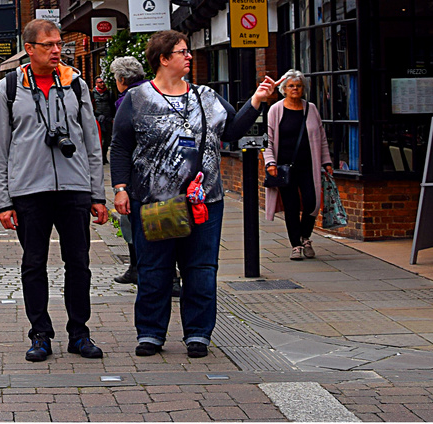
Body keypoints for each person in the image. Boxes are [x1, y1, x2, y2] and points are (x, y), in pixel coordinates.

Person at [110, 31, 275, 358]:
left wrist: (256, 101)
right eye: (182, 52)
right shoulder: (137, 98)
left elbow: (232, 131)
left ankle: (198, 333)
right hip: (156, 200)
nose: (189, 56)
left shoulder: (207, 97)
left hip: (204, 201)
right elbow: (120, 147)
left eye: (188, 51)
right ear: (163, 58)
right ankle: (150, 333)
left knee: (200, 269)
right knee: (154, 269)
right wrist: (120, 188)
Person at [0, 17, 108, 363]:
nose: (58, 50)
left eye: (60, 44)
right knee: (34, 264)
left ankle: (79, 333)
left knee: (79, 263)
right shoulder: (8, 88)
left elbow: (91, 142)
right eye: (49, 45)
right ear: (30, 49)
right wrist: (3, 201)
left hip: (73, 188)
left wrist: (97, 194)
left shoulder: (76, 85)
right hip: (29, 191)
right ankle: (40, 334)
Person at [264, 69, 334, 262]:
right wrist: (270, 162)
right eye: (291, 86)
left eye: (298, 86)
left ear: (303, 88)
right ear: (284, 89)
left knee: (312, 203)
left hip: (308, 166)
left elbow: (322, 139)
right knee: (292, 206)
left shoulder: (311, 109)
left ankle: (305, 237)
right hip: (284, 168)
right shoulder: (276, 110)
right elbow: (267, 140)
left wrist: (326, 161)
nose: (295, 89)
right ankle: (296, 245)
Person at [105, 55, 147, 285]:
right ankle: (136, 267)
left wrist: (120, 184)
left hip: (135, 172)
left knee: (133, 222)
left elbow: (121, 143)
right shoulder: (152, 91)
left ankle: (141, 268)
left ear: (122, 78)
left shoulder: (128, 100)